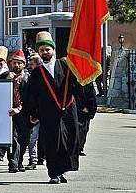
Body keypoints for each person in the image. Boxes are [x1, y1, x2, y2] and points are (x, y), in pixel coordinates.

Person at [23, 31, 94, 184]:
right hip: (48, 113)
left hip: (68, 110)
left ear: (53, 50)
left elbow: (80, 85)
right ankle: (54, 173)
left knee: (69, 141)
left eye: (47, 49)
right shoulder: (37, 73)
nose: (45, 52)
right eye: (41, 50)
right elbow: (31, 96)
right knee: (52, 143)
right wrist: (32, 114)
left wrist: (87, 106)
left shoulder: (66, 65)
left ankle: (62, 170)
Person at [6, 49, 31, 173]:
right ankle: (13, 163)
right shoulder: (7, 77)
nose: (16, 65)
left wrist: (20, 108)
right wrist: (6, 78)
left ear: (24, 64)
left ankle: (20, 160)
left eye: (19, 63)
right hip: (9, 112)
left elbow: (31, 96)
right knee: (12, 138)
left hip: (24, 112)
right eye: (14, 63)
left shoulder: (29, 78)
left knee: (24, 138)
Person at [25, 54, 43, 168]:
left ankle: (43, 158)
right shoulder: (28, 77)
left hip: (46, 111)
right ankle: (33, 160)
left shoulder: (44, 76)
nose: (29, 67)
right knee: (33, 138)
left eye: (32, 65)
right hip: (35, 112)